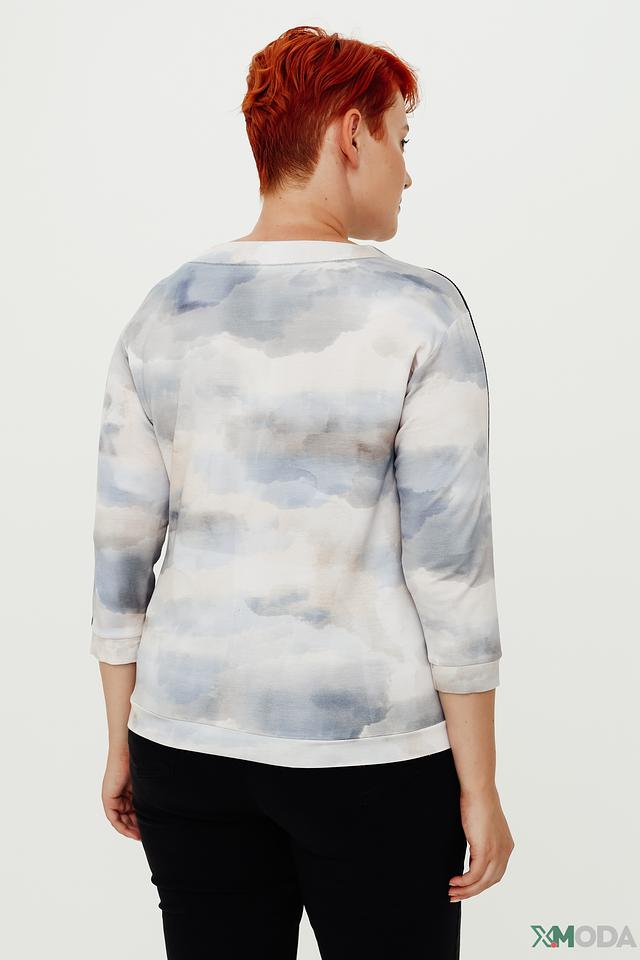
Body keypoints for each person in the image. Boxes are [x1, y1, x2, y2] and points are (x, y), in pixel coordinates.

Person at [90, 24, 515, 960]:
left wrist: (122, 737)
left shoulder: (165, 308)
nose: (408, 172)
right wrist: (479, 783)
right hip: (369, 757)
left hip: (183, 745)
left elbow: (121, 552)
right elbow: (451, 568)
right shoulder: (422, 311)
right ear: (351, 134)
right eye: (402, 139)